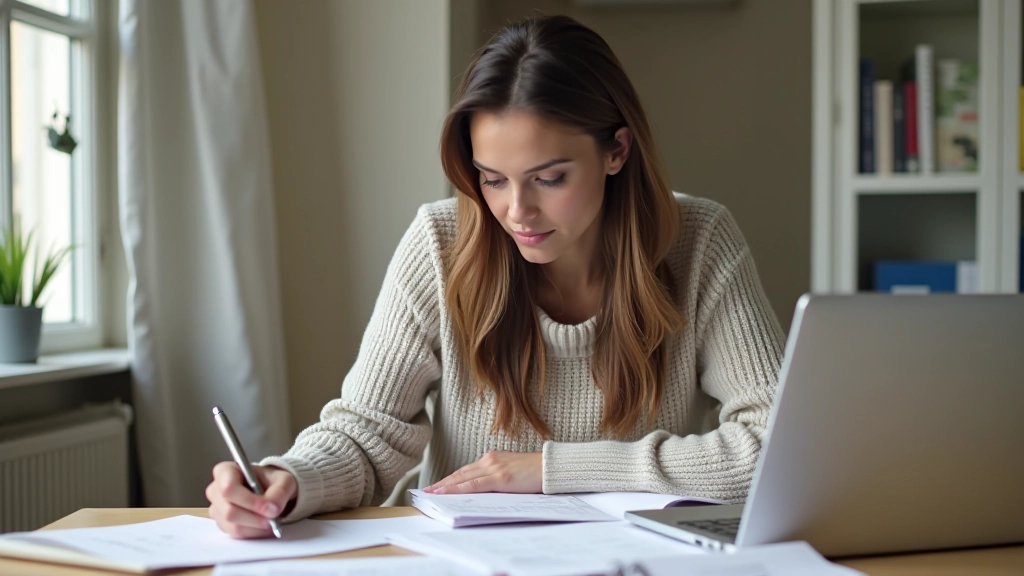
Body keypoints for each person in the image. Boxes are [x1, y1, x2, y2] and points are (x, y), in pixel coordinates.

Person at [206, 14, 784, 539]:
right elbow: (367, 432)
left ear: (617, 150)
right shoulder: (441, 242)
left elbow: (772, 450)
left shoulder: (700, 241)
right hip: (466, 559)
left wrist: (550, 471)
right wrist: (288, 480)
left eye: (549, 178)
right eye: (492, 178)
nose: (516, 212)